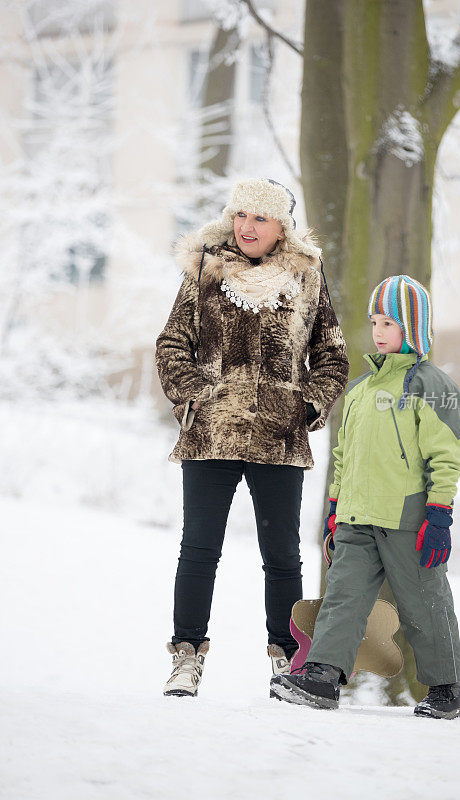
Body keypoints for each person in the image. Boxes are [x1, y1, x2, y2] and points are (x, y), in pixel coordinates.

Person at [155, 178, 349, 697]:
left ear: (281, 226)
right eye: (240, 215)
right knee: (198, 551)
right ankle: (186, 656)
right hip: (211, 436)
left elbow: (331, 355)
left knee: (283, 556)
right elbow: (173, 343)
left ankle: (288, 660)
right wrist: (197, 395)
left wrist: (306, 406)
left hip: (278, 438)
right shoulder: (205, 269)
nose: (246, 226)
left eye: (259, 218)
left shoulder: (308, 276)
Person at [270, 274, 460, 719]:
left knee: (423, 602)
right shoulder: (359, 390)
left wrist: (439, 514)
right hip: (357, 517)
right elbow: (344, 455)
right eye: (374, 322)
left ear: (413, 328)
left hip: (407, 519)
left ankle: (445, 688)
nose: (378, 332)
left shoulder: (431, 386)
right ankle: (322, 675)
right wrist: (336, 508)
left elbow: (446, 454)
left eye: (389, 324)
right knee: (344, 596)